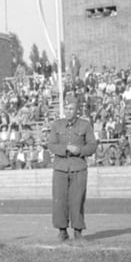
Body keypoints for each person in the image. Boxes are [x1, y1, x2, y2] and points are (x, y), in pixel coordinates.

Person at [47, 97, 97, 242]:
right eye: (67, 109)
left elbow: (92, 146)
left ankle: (78, 231)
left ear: (77, 111)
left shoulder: (85, 125)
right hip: (60, 167)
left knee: (77, 199)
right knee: (59, 200)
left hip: (78, 167)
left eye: (71, 109)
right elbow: (51, 145)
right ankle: (62, 231)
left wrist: (79, 150)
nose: (69, 112)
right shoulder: (57, 125)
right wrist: (65, 148)